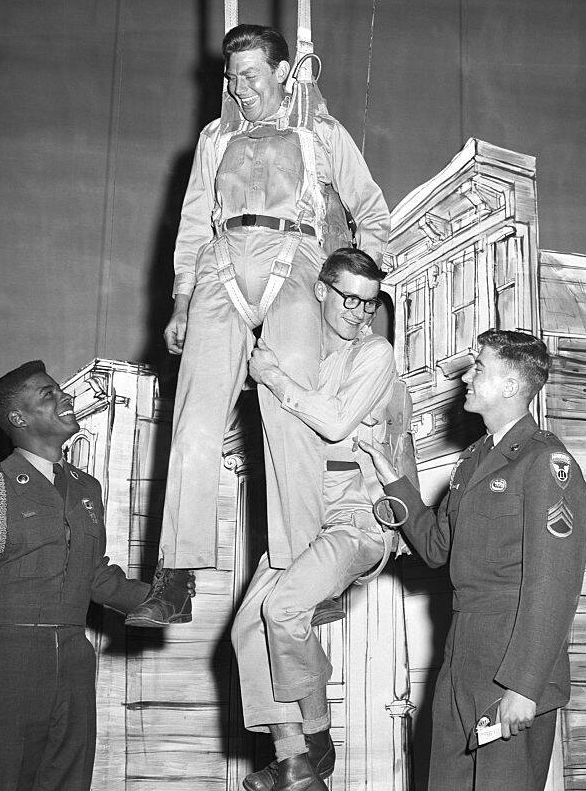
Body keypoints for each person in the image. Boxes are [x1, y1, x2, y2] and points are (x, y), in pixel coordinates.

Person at [127, 24, 389, 628]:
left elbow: (370, 211)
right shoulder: (214, 139)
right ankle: (177, 575)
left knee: (289, 419)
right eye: (230, 76)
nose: (238, 86)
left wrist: (357, 289)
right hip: (220, 266)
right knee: (193, 419)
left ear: (280, 71)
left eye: (250, 74)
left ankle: (303, 570)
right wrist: (182, 300)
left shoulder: (322, 133)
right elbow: (193, 224)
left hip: (296, 265)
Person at [359, 330, 586, 791]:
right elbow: (435, 547)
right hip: (461, 655)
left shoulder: (545, 462)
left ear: (509, 386)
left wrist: (524, 687)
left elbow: (554, 587)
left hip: (512, 661)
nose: (467, 375)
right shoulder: (474, 460)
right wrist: (392, 479)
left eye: (479, 367)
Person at [229, 248, 398, 791]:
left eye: (369, 304)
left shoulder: (376, 354)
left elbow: (335, 422)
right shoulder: (301, 347)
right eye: (349, 298)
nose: (359, 313)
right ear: (321, 290)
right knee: (246, 628)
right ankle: (296, 761)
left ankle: (317, 733)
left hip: (356, 516)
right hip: (299, 506)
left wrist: (274, 377)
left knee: (282, 607)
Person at [0, 361, 151, 790]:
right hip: (7, 668)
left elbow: (93, 575)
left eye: (60, 390)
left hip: (74, 662)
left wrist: (160, 596)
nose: (65, 398)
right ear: (19, 419)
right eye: (49, 395)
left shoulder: (85, 487)